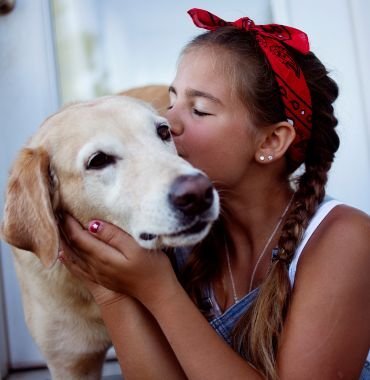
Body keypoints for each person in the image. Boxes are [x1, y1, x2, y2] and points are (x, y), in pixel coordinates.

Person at [58, 8, 370, 380]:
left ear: (271, 141)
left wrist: (159, 291)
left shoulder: (344, 240)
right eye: (171, 102)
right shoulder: (175, 235)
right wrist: (112, 290)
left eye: (199, 110)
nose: (167, 123)